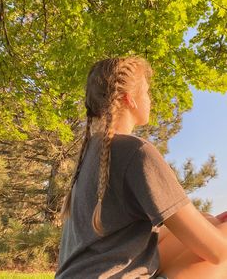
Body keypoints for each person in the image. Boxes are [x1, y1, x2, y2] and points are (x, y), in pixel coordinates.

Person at [55, 56, 227, 279]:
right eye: (146, 92)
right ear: (130, 99)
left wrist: (211, 222)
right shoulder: (136, 152)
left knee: (208, 222)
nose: (150, 100)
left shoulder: (92, 150)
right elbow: (218, 253)